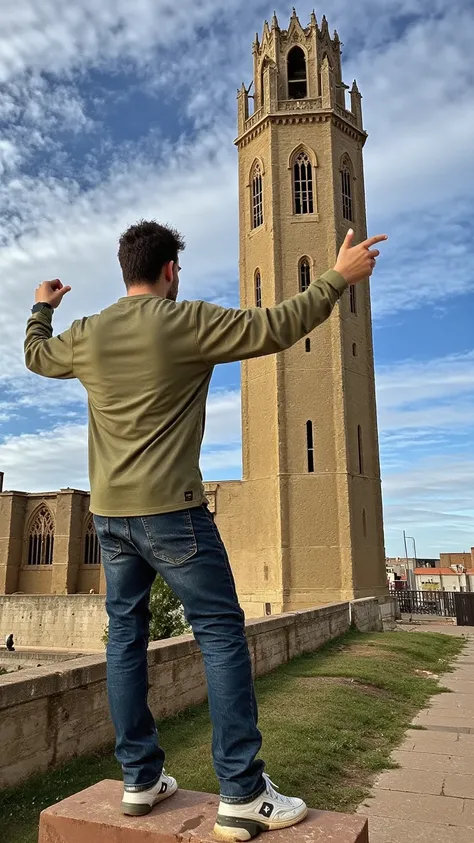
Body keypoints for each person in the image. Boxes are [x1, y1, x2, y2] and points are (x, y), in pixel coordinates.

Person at [24, 221, 387, 841]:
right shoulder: (186, 320)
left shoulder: (87, 334)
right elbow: (275, 327)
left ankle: (139, 779)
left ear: (125, 271)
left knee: (124, 640)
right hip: (173, 514)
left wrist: (42, 307)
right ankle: (242, 792)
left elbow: (36, 356)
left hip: (109, 519)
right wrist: (335, 279)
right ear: (170, 271)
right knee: (220, 635)